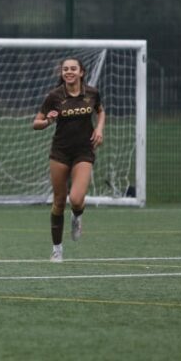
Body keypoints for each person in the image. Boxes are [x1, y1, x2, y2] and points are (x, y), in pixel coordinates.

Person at [32, 57, 104, 263]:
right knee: (58, 201)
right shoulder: (54, 96)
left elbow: (100, 111)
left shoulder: (92, 93)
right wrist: (47, 121)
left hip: (84, 151)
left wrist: (99, 128)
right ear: (61, 73)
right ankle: (57, 249)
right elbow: (35, 123)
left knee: (77, 199)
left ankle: (77, 216)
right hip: (60, 152)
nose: (69, 72)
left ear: (81, 72)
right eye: (65, 69)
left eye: (73, 69)